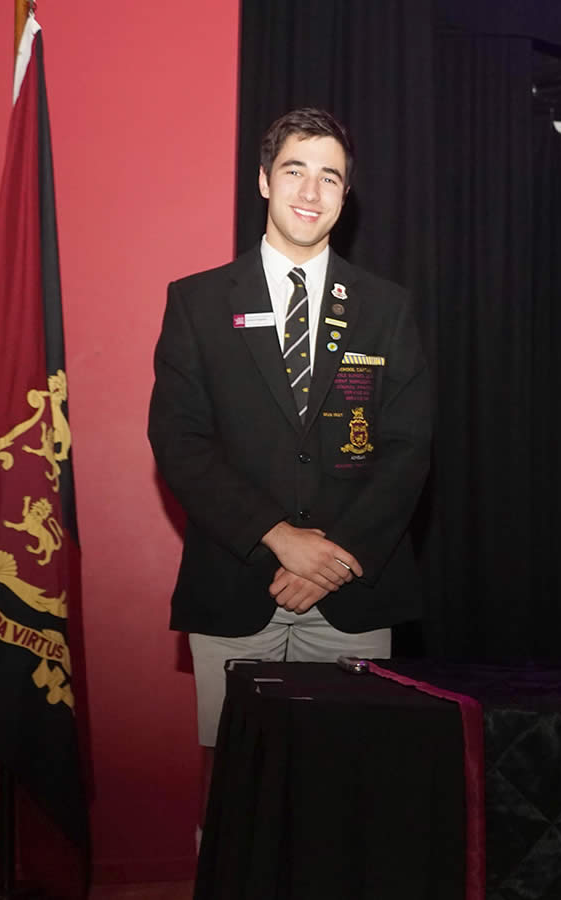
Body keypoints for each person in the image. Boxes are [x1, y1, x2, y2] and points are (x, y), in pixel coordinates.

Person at [148, 108, 432, 828]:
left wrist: (331, 561)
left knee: (350, 797)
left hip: (353, 592)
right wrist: (278, 536)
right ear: (264, 181)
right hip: (234, 584)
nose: (312, 190)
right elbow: (178, 442)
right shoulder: (199, 302)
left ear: (346, 195)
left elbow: (407, 449)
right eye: (296, 170)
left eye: (330, 175)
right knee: (237, 799)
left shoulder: (387, 310)